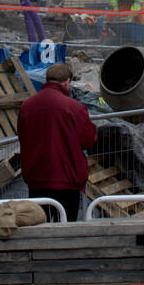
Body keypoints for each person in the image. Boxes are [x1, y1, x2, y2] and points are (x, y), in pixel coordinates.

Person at [16, 62, 98, 222]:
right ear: (67, 81)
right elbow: (88, 140)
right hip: (67, 180)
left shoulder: (27, 106)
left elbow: (22, 135)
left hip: (36, 178)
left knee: (38, 227)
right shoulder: (74, 107)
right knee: (66, 228)